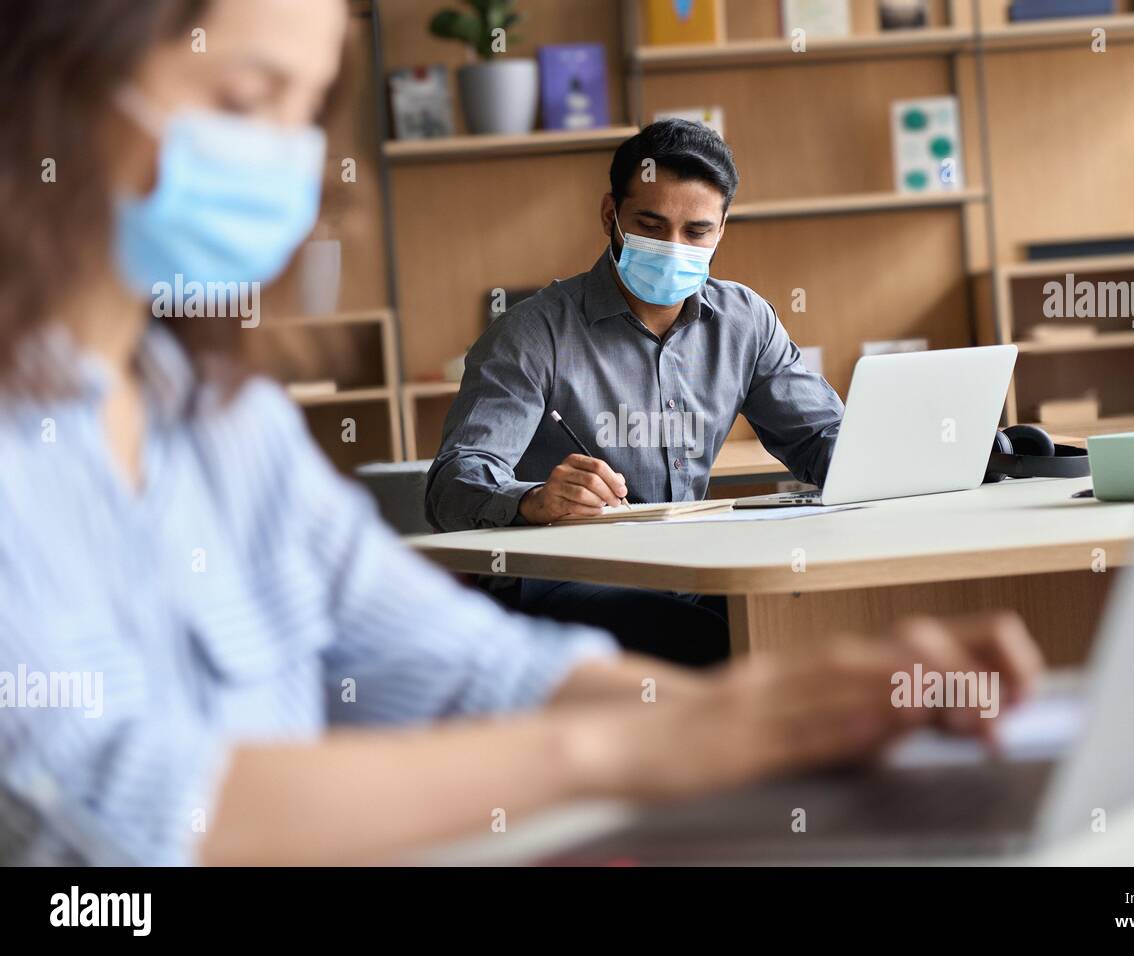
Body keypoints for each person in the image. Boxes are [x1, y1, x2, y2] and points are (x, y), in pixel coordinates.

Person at [0, 0, 1043, 866]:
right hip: (591, 582)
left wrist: (795, 714)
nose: (287, 160)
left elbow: (476, 667)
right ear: (53, 81)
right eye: (243, 99)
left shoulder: (229, 428)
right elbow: (95, 812)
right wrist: (639, 742)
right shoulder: (533, 330)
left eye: (305, 110)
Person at [426, 120, 843, 664]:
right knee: (726, 643)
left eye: (696, 232)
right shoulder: (533, 334)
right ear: (611, 216)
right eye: (650, 224)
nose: (673, 247)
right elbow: (451, 486)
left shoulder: (744, 321)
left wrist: (937, 454)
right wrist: (533, 500)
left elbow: (820, 439)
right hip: (565, 585)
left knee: (813, 617)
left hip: (689, 573)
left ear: (721, 230)